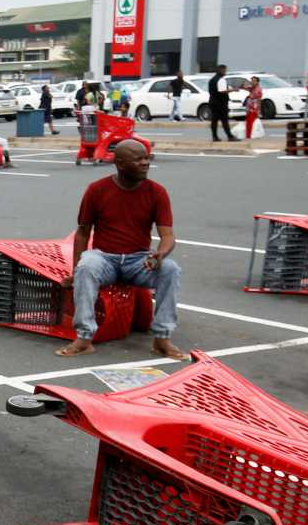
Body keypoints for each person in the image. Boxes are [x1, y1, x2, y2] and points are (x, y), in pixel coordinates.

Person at [57, 140, 185, 360]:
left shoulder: (157, 192)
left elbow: (168, 235)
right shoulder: (97, 190)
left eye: (147, 158)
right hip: (105, 258)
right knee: (87, 266)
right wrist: (75, 271)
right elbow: (82, 233)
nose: (145, 163)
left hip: (139, 260)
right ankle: (84, 337)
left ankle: (162, 338)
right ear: (120, 164)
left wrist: (160, 254)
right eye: (139, 159)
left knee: (171, 269)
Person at [207, 65, 237, 142]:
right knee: (224, 120)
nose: (225, 72)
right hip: (221, 103)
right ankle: (230, 136)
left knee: (214, 120)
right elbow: (222, 91)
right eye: (225, 70)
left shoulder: (212, 79)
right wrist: (233, 90)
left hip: (213, 102)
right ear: (221, 70)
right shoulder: (221, 79)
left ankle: (214, 136)